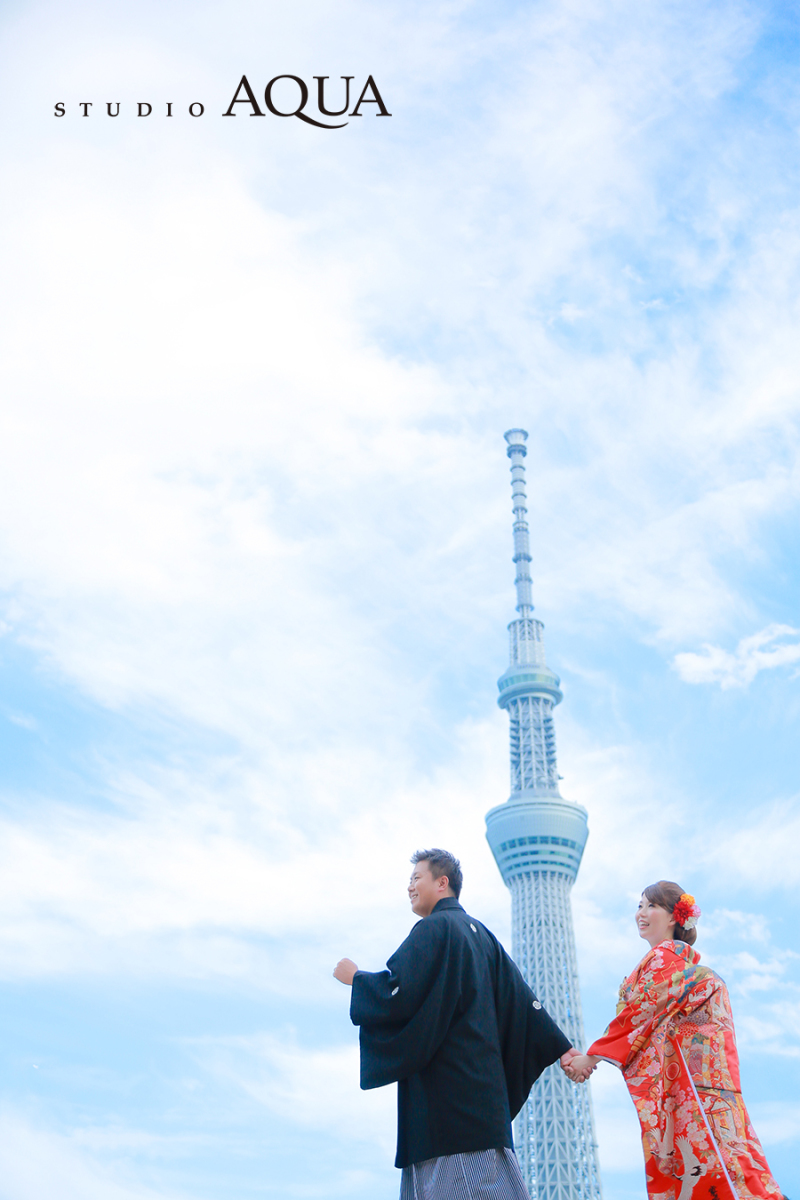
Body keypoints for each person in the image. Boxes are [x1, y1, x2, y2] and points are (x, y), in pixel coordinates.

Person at [334, 848, 574, 1199]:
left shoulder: (434, 928)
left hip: (448, 1109)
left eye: (417, 878)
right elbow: (522, 1001)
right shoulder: (482, 935)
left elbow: (399, 992)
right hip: (483, 1107)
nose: (410, 887)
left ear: (441, 883)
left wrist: (356, 979)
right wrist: (563, 1049)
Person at [562, 880, 784, 1200]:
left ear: (672, 918)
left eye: (652, 906)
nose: (641, 913)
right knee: (719, 1156)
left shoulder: (666, 958)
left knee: (709, 1158)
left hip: (691, 1085)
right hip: (702, 1082)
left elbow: (640, 1013)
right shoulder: (668, 962)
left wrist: (590, 1058)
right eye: (639, 905)